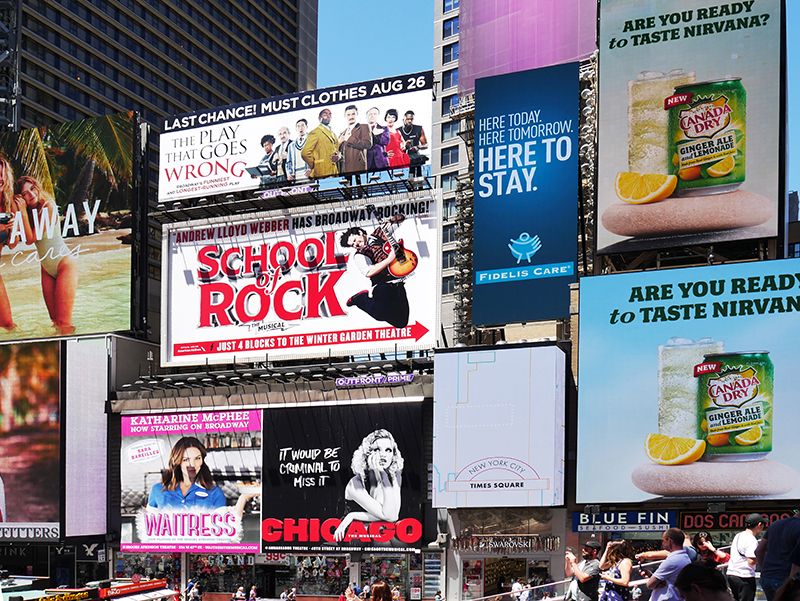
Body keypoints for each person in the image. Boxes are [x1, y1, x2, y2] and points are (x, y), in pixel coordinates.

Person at [11, 176, 77, 334]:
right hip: (46, 267)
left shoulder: (48, 206)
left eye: (32, 189)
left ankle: (71, 353)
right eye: (25, 193)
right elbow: (17, 240)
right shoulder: (28, 213)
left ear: (37, 187)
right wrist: (16, 212)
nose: (31, 194)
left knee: (64, 322)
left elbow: (32, 238)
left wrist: (22, 213)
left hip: (64, 264)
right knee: (55, 321)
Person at [147, 436, 257, 516]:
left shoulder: (214, 493)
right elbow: (147, 530)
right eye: (186, 460)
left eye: (197, 458)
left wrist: (243, 498)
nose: (192, 465)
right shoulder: (157, 490)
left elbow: (228, 527)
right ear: (177, 462)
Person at [340, 214, 411, 329]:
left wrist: (391, 220)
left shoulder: (378, 234)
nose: (355, 245)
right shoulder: (360, 254)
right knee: (380, 313)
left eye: (354, 240)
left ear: (360, 233)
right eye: (352, 245)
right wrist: (389, 260)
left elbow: (400, 218)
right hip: (382, 286)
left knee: (401, 322)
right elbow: (368, 272)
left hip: (398, 284)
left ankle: (363, 299)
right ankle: (360, 299)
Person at [333, 429, 404, 542]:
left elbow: (393, 516)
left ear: (393, 455)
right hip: (351, 531)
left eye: (388, 450)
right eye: (377, 449)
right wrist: (382, 474)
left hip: (377, 529)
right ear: (367, 453)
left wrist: (352, 515)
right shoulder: (355, 483)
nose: (383, 455)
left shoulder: (394, 477)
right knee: (383, 536)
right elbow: (389, 517)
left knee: (390, 537)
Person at [756, 507, 800, 601]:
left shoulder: (775, 524)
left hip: (767, 578)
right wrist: (792, 581)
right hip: (785, 578)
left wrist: (766, 569)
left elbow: (759, 550)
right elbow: (797, 560)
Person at [638, 528, 692, 601]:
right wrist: (653, 577)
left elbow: (650, 585)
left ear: (669, 541)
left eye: (663, 541)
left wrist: (655, 581)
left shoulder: (671, 561)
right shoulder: (686, 558)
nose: (663, 544)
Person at [727, 514, 766, 601]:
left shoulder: (739, 535)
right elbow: (751, 561)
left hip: (732, 574)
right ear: (759, 525)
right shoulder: (751, 539)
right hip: (744, 576)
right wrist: (764, 557)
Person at [301, 108, 341, 178]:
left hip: (334, 173)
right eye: (325, 114)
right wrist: (314, 165)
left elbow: (337, 151)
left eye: (329, 114)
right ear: (319, 118)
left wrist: (339, 157)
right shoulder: (315, 132)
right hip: (321, 173)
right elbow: (305, 153)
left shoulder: (333, 134)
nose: (328, 116)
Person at [0, 157, 16, 331]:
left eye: (2, 175)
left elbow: (12, 245)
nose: (0, 179)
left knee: (8, 324)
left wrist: (13, 229)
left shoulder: (10, 205)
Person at [338, 105, 372, 174]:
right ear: (345, 116)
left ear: (357, 114)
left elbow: (368, 144)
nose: (351, 117)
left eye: (353, 114)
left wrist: (350, 139)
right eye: (348, 115)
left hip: (356, 167)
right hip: (343, 168)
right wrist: (339, 143)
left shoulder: (363, 127)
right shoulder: (343, 133)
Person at [398, 111, 428, 176]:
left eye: (411, 119)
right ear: (403, 119)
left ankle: (419, 184)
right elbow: (395, 147)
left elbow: (425, 145)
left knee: (417, 164)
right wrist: (405, 145)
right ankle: (411, 183)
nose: (409, 121)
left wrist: (417, 147)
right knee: (411, 171)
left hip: (415, 154)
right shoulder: (398, 131)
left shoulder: (418, 129)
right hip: (404, 155)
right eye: (408, 119)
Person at [365, 107, 390, 171]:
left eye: (374, 114)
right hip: (367, 162)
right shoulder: (362, 130)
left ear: (378, 116)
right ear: (366, 116)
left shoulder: (384, 128)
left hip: (381, 160)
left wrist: (377, 134)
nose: (372, 116)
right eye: (370, 114)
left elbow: (386, 141)